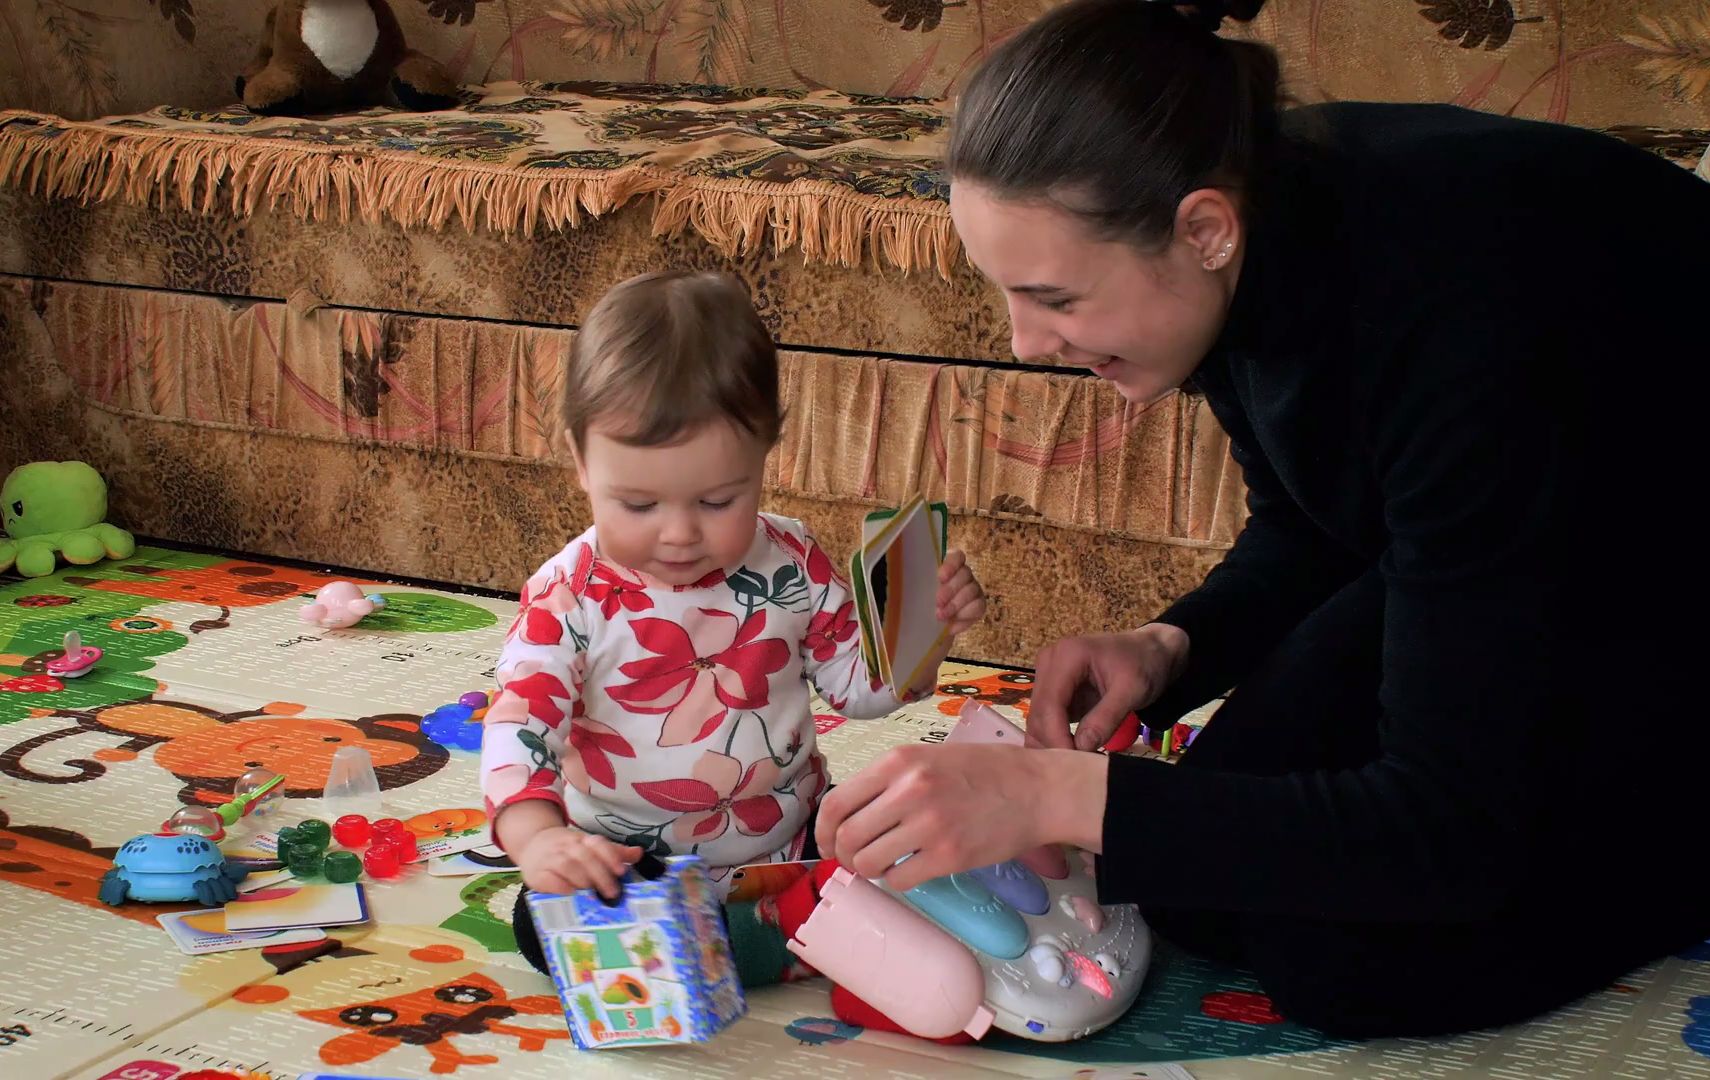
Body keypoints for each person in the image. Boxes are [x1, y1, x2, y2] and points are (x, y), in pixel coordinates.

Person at [815, 0, 1710, 1039]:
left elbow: (1448, 831)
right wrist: (1172, 645)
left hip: (1660, 556)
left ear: (1204, 230)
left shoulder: (1465, 329)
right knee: (1199, 878)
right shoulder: (1245, 226)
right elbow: (1317, 515)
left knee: (1347, 961)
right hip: (1537, 522)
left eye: (1054, 297)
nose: (1024, 343)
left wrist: (1052, 796)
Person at [482, 270, 987, 992]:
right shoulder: (569, 596)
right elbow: (519, 725)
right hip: (631, 861)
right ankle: (779, 941)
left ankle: (762, 932)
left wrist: (922, 636)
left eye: (720, 499)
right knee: (542, 921)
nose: (680, 534)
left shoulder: (791, 560)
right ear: (580, 463)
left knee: (890, 840)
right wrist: (540, 840)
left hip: (790, 839)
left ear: (764, 458)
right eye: (638, 502)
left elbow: (858, 689)